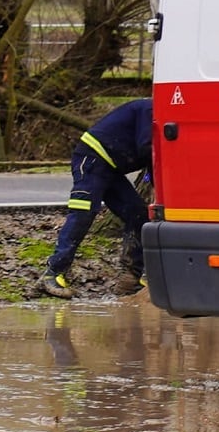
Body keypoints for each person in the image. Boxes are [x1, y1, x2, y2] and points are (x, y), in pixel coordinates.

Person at [31, 96, 153, 298]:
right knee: (83, 212)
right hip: (92, 158)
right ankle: (52, 274)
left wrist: (153, 179)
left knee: (138, 214)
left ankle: (130, 279)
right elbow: (146, 148)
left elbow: (149, 166)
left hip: (111, 167)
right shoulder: (150, 109)